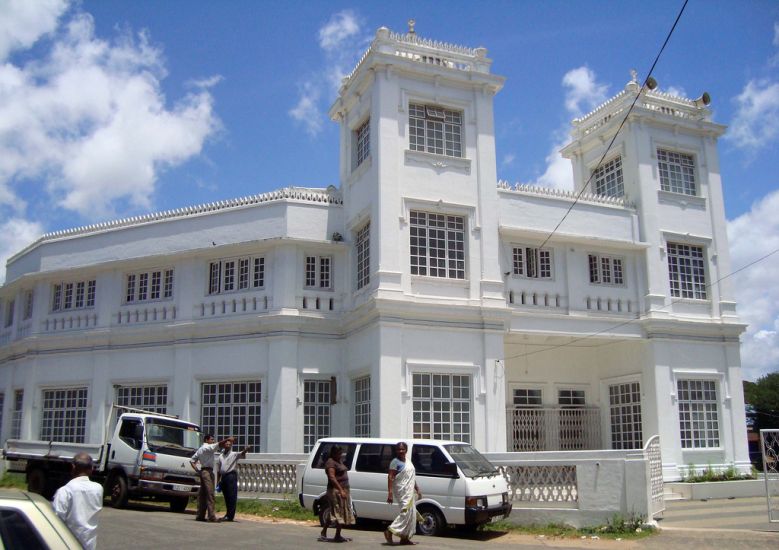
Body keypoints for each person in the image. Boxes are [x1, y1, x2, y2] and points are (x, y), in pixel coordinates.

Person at [52, 452, 103, 550]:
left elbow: (56, 520)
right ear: (91, 469)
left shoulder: (65, 491)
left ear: (73, 467)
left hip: (68, 544)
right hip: (89, 545)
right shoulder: (98, 489)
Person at [385, 442, 422, 546]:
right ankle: (390, 531)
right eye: (398, 449)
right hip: (401, 491)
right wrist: (390, 493)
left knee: (411, 514)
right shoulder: (394, 462)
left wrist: (417, 488)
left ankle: (404, 538)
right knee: (405, 513)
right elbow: (390, 477)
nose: (401, 451)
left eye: (403, 449)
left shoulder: (408, 461)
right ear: (396, 451)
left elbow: (411, 477)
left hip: (409, 491)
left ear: (406, 450)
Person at [190, 434, 231, 522]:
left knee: (203, 494)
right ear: (206, 440)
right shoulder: (207, 448)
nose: (213, 441)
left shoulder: (200, 449)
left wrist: (198, 471)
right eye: (211, 439)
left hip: (204, 471)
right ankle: (211, 516)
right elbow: (218, 444)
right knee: (210, 493)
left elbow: (192, 460)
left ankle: (200, 515)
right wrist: (227, 439)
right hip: (207, 472)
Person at [319, 445, 354, 543]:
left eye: (341, 453)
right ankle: (328, 533)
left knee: (338, 512)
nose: (340, 455)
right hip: (335, 491)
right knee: (337, 512)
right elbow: (332, 477)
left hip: (343, 489)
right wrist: (341, 490)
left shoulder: (339, 461)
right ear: (333, 453)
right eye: (338, 453)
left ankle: (335, 534)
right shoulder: (330, 463)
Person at [216, 438, 250, 522]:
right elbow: (219, 470)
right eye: (226, 444)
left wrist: (246, 449)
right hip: (223, 477)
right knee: (226, 497)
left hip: (231, 476)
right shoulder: (220, 456)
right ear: (224, 445)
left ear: (231, 446)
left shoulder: (234, 454)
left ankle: (230, 516)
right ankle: (227, 514)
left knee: (231, 496)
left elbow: (242, 453)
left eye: (229, 444)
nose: (227, 445)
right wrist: (218, 481)